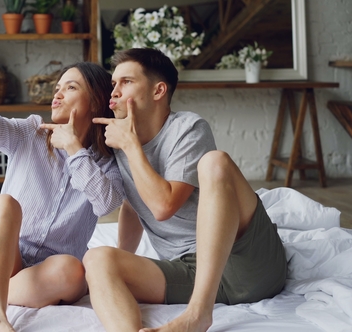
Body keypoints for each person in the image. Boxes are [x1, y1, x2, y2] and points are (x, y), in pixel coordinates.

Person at [0, 34, 124, 332]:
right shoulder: (31, 132)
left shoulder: (108, 162)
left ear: (96, 101)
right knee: (4, 203)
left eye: (70, 87)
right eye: (57, 88)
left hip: (49, 273)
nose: (57, 94)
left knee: (75, 271)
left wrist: (74, 150)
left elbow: (107, 203)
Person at [85, 48, 287, 332]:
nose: (114, 91)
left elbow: (163, 206)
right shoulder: (119, 140)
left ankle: (198, 315)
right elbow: (135, 204)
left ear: (158, 91)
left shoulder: (188, 129)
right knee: (97, 258)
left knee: (215, 163)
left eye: (126, 82)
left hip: (248, 261)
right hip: (187, 271)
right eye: (114, 83)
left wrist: (131, 147)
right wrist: (121, 262)